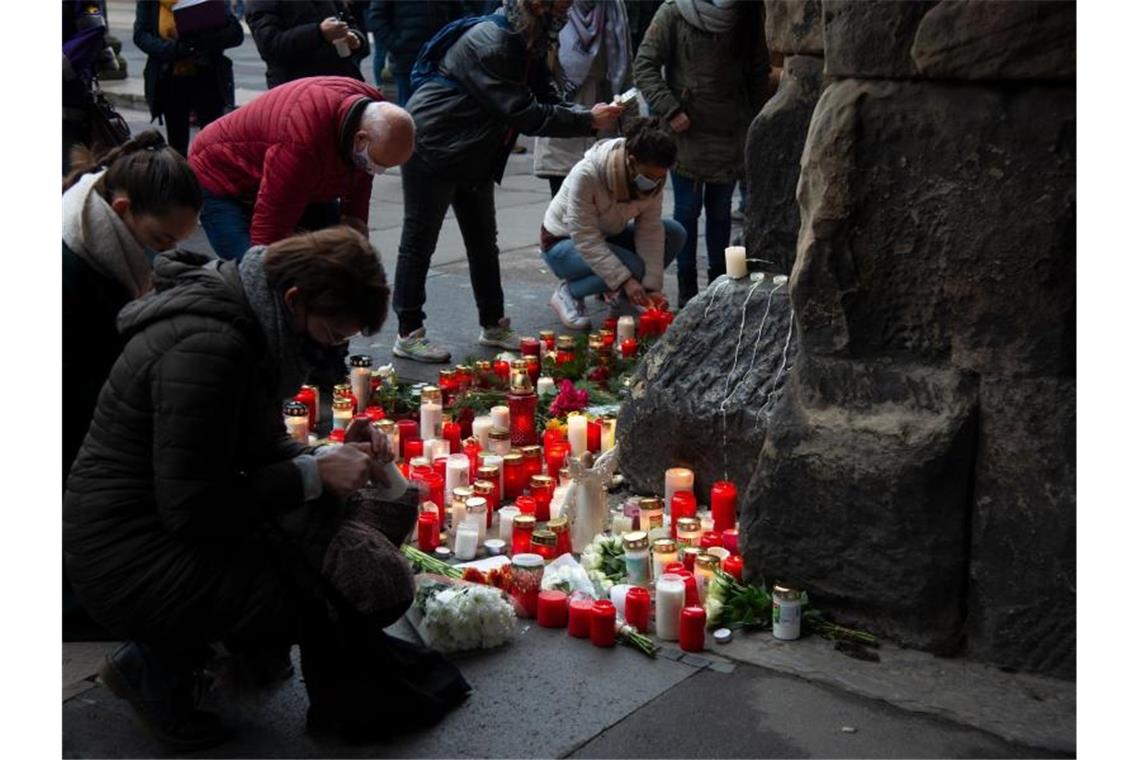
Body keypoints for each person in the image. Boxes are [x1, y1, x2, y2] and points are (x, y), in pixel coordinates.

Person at [64, 227, 469, 749]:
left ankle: (213, 653)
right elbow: (195, 507)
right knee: (342, 582)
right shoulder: (213, 346)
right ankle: (160, 666)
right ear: (295, 300)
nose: (332, 349)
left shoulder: (248, 326)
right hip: (125, 553)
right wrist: (313, 475)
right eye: (329, 333)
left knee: (323, 541)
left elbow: (255, 448)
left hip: (147, 527)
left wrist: (328, 454)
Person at [393, 0, 625, 363]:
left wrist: (586, 115)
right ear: (540, 5)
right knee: (419, 240)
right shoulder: (496, 41)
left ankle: (493, 324)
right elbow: (522, 112)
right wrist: (587, 122)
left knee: (483, 241)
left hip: (473, 150)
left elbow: (544, 96)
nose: (568, 11)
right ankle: (409, 331)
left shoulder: (529, 37)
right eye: (562, 6)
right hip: (433, 144)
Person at [62, 130, 202, 641]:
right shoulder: (71, 269)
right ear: (121, 209)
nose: (165, 254)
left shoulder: (105, 241)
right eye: (163, 240)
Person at [188, 76, 414, 262]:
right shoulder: (301, 143)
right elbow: (269, 231)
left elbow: (359, 171)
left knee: (341, 256)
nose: (377, 172)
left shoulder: (369, 112)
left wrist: (354, 218)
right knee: (254, 266)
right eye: (377, 164)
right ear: (361, 138)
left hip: (293, 171)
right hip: (220, 176)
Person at [633, 0, 768, 307]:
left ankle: (720, 289)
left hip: (729, 131)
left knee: (721, 213)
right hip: (686, 133)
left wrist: (754, 118)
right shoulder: (675, 11)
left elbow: (758, 69)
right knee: (687, 212)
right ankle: (687, 290)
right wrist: (670, 109)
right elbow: (644, 64)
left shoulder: (745, 13)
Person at [541, 117, 684, 329]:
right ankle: (569, 292)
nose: (654, 183)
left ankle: (627, 301)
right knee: (631, 267)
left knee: (674, 233)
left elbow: (650, 231)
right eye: (649, 176)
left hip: (608, 234)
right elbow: (585, 237)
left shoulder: (655, 180)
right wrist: (626, 280)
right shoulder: (588, 173)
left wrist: (651, 286)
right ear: (632, 161)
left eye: (659, 177)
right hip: (562, 243)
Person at [533, 0, 632, 197]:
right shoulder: (553, 7)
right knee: (564, 216)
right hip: (561, 124)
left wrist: (632, 125)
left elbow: (627, 69)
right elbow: (536, 72)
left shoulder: (613, 6)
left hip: (604, 126)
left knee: (601, 215)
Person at [133, 1, 244, 157]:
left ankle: (211, 179)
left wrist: (199, 42)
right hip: (169, 78)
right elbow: (140, 35)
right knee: (177, 146)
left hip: (207, 76)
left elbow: (234, 33)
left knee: (213, 143)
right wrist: (174, 49)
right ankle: (182, 179)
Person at [367, 0, 471, 107]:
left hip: (439, 59)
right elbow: (377, 18)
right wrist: (397, 44)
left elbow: (459, 13)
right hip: (406, 60)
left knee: (439, 111)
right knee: (409, 111)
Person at [246, 0, 371, 89]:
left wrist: (354, 38)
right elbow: (270, 45)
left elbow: (348, 21)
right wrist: (319, 32)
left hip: (340, 83)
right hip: (296, 89)